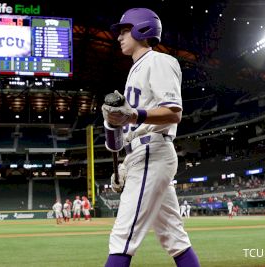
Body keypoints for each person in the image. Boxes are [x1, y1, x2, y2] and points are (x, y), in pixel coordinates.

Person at [102, 8, 200, 267]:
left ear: (141, 29)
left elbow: (173, 112)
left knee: (122, 237)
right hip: (141, 154)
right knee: (175, 240)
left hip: (152, 152)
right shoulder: (136, 69)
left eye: (124, 30)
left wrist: (132, 115)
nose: (119, 36)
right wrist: (122, 165)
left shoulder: (159, 61)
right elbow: (127, 128)